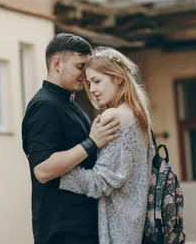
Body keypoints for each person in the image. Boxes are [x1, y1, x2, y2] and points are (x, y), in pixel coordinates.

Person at [22, 33, 121, 244]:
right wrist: (91, 142)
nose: (85, 75)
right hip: (64, 231)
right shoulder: (45, 106)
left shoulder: (69, 104)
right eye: (80, 66)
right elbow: (42, 169)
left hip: (81, 228)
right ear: (57, 63)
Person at [59, 46, 155, 244]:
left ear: (118, 78)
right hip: (134, 223)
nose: (92, 90)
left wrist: (56, 171)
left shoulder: (113, 116)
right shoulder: (138, 114)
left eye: (97, 81)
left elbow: (100, 182)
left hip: (119, 228)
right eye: (88, 83)